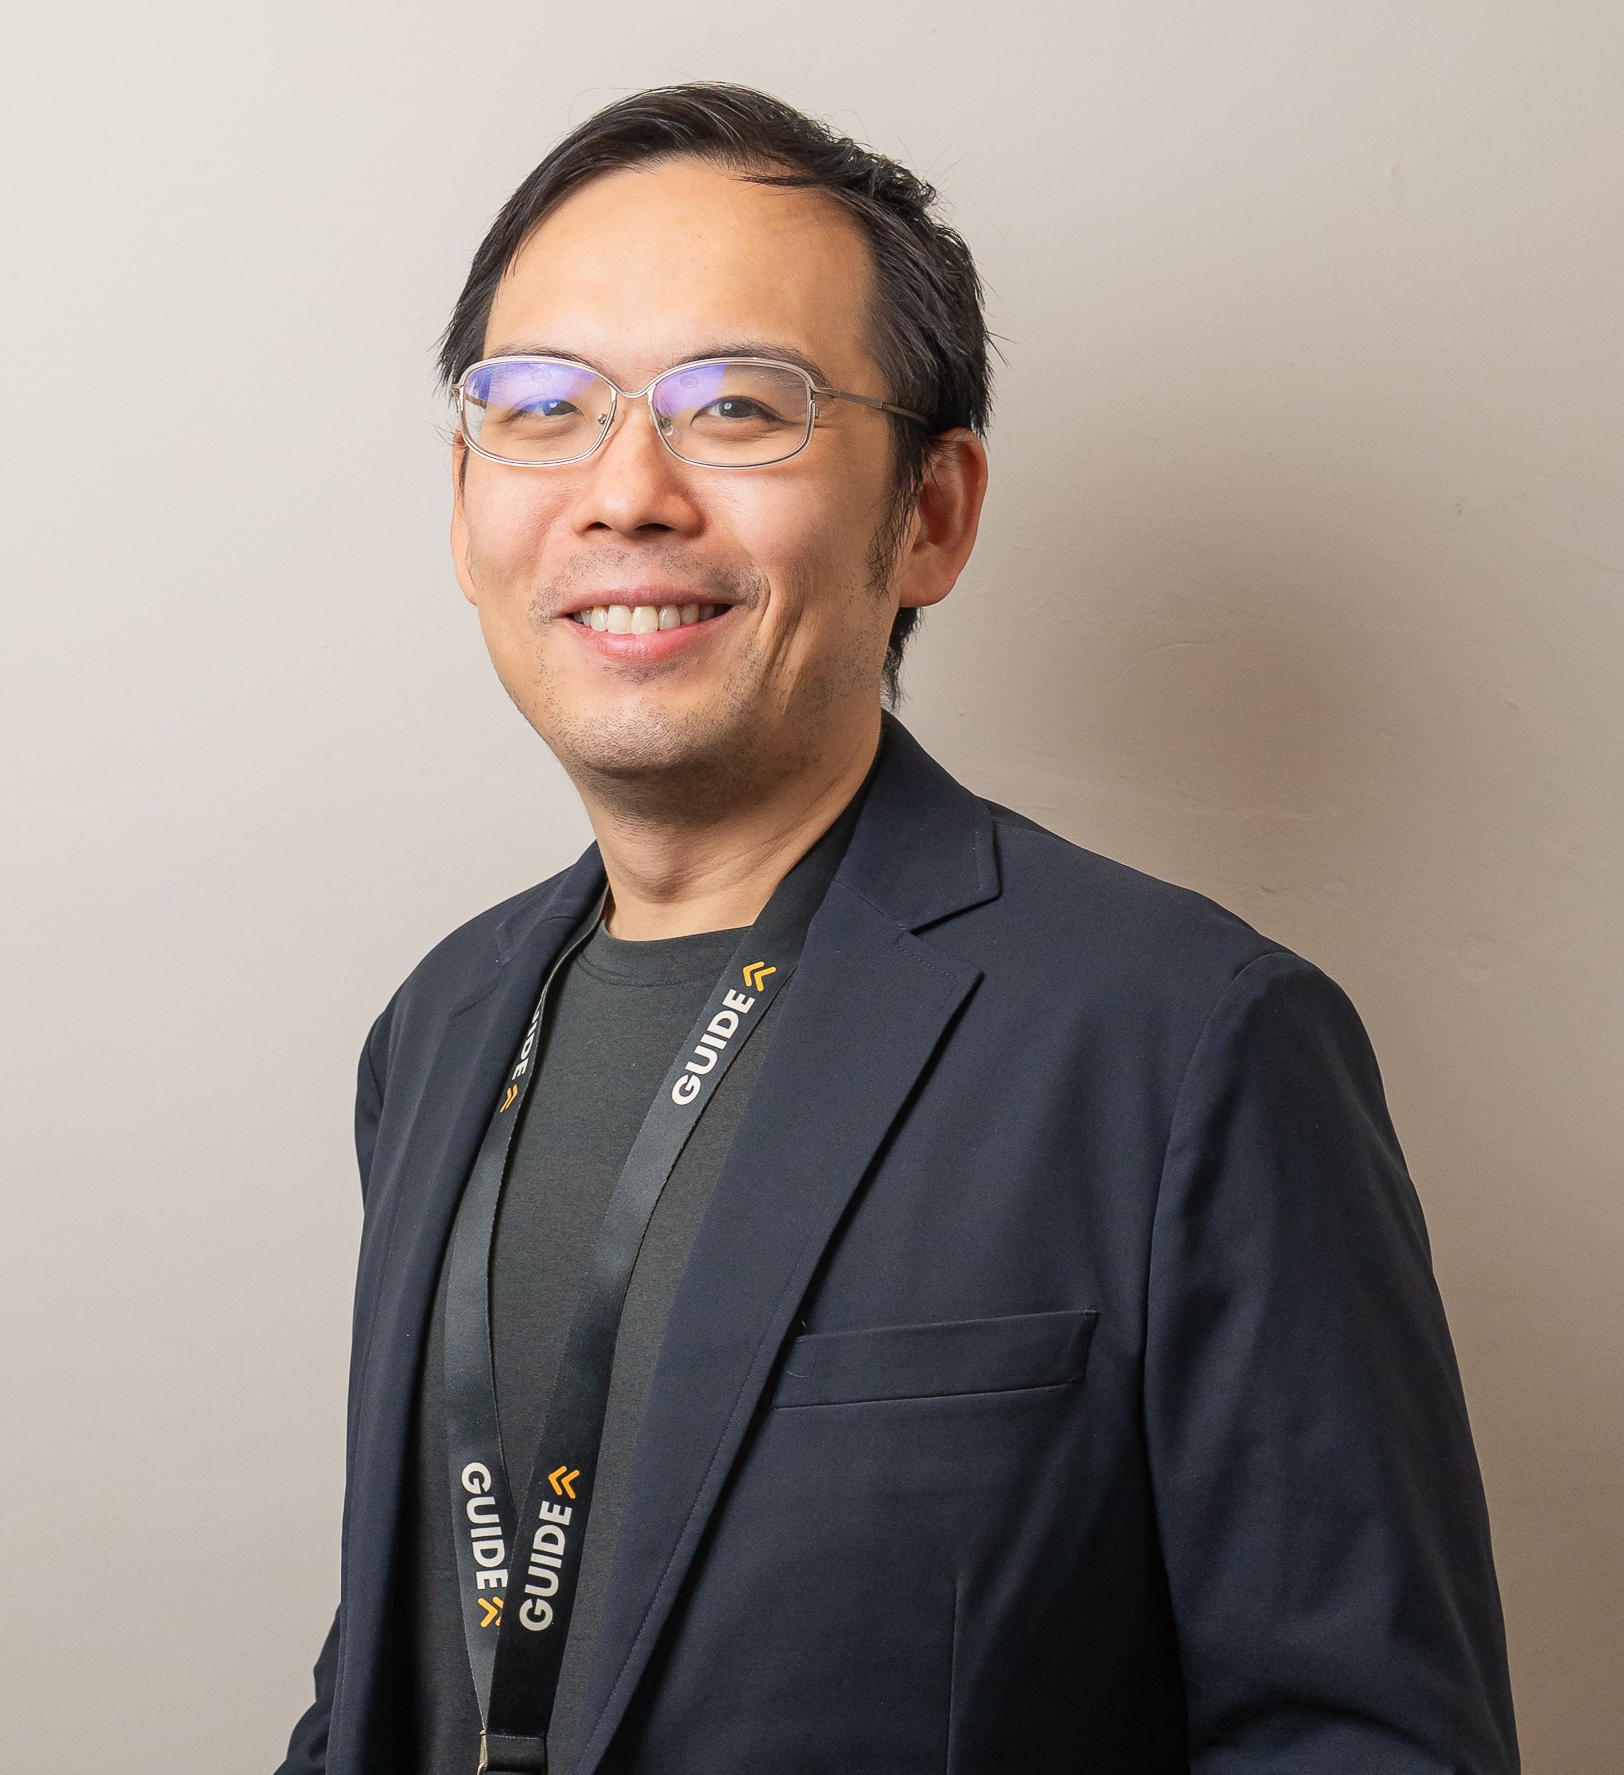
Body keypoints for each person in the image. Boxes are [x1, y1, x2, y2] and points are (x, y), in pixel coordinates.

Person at [275, 83, 1517, 1775]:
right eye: (543, 408)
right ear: (463, 501)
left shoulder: (1182, 1045)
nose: (625, 491)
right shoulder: (437, 1028)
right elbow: (404, 1667)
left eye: (737, 407)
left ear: (930, 515)